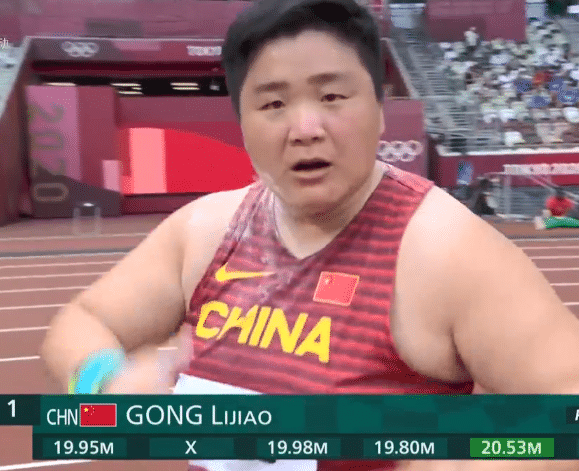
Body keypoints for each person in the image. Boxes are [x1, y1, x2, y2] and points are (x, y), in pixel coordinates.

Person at [41, 0, 579, 470]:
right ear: (242, 123)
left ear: (381, 109)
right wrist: (105, 384)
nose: (305, 129)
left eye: (332, 96)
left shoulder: (443, 250)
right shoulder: (206, 230)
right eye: (273, 104)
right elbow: (84, 320)